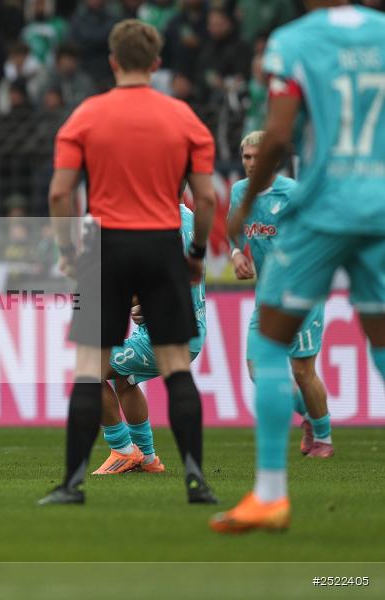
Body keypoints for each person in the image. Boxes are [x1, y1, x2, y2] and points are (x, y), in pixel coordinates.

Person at [213, 1, 385, 534]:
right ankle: (316, 431)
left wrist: (241, 208)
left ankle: (270, 495)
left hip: (324, 207)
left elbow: (281, 132)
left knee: (267, 346)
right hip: (379, 205)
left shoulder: (294, 40)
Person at [40, 19, 218, 506]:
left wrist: (68, 251)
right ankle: (196, 481)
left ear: (113, 61)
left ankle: (72, 484)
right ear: (157, 64)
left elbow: (60, 192)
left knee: (89, 369)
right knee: (177, 369)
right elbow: (205, 199)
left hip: (109, 244)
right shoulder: (183, 118)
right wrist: (197, 255)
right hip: (162, 242)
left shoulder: (87, 116)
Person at [229, 131, 333, 459]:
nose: (250, 163)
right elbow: (232, 228)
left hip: (302, 294)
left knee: (302, 371)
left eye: (257, 157)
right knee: (258, 370)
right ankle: (308, 417)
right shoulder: (239, 192)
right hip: (267, 297)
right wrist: (236, 253)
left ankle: (324, 438)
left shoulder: (293, 193)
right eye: (246, 157)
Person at [92, 205, 206, 475]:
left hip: (167, 334)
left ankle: (122, 450)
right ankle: (147, 459)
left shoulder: (158, 223)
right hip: (185, 328)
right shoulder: (190, 217)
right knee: (125, 381)